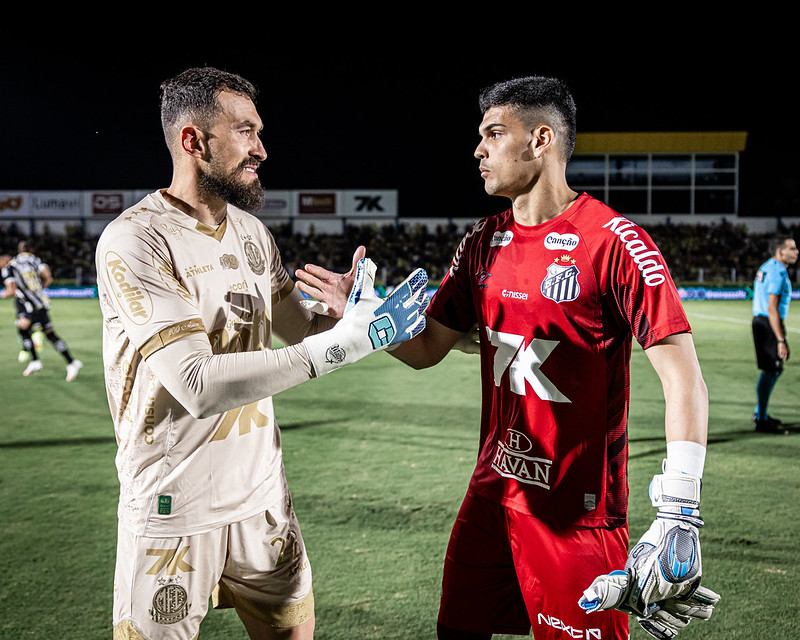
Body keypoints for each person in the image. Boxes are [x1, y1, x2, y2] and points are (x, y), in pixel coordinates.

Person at [298, 75, 718, 640]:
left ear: (541, 139)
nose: (478, 150)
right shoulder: (481, 242)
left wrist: (679, 511)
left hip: (575, 513)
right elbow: (426, 349)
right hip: (491, 495)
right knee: (456, 629)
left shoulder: (614, 242)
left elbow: (683, 378)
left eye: (494, 134)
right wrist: (366, 319)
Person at [94, 66, 427, 640]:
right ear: (194, 140)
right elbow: (197, 385)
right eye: (245, 132)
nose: (262, 149)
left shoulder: (252, 232)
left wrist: (349, 314)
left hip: (263, 501)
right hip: (176, 509)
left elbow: (302, 329)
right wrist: (341, 346)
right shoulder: (136, 239)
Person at [0, 242, 83, 380]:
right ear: (31, 250)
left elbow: (11, 291)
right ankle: (70, 362)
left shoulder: (11, 266)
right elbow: (48, 277)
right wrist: (38, 291)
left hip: (29, 306)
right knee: (48, 334)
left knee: (23, 327)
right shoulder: (36, 260)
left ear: (18, 251)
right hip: (40, 303)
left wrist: (3, 294)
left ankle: (36, 361)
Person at [751, 234, 798, 433]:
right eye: (792, 248)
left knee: (774, 369)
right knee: (771, 370)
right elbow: (772, 308)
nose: (796, 252)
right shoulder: (778, 272)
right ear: (780, 251)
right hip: (769, 322)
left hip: (762, 321)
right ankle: (761, 420)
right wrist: (781, 339)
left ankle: (759, 412)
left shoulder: (766, 266)